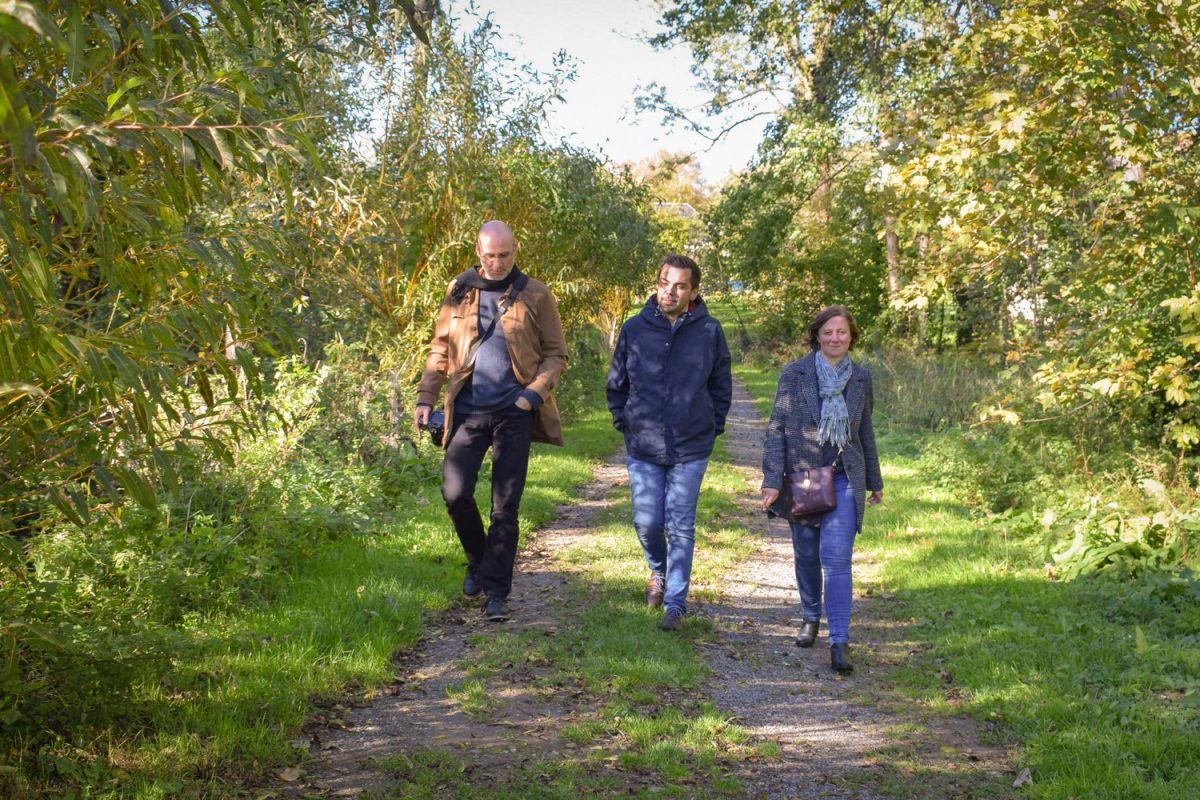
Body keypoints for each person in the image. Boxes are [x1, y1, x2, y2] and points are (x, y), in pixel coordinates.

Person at [414, 220, 568, 622]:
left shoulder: (537, 295)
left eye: (505, 255)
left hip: (514, 413)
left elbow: (556, 354)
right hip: (465, 410)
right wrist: (425, 398)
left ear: (516, 250)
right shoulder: (459, 290)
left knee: (505, 506)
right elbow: (440, 350)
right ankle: (479, 561)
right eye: (490, 255)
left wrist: (532, 394)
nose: (497, 262)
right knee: (455, 493)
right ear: (478, 252)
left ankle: (496, 591)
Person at [606, 254, 732, 631]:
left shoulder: (709, 331)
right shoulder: (634, 328)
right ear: (656, 283)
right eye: (664, 282)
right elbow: (617, 383)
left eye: (679, 285)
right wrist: (623, 420)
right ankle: (657, 571)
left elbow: (721, 384)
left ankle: (676, 603)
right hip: (643, 444)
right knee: (647, 522)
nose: (670, 291)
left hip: (691, 445)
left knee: (681, 526)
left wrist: (714, 425)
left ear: (693, 291)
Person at [760, 305, 883, 673]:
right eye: (828, 332)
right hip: (804, 479)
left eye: (842, 332)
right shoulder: (794, 374)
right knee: (808, 555)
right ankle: (811, 615)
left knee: (838, 560)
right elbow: (776, 429)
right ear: (817, 335)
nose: (835, 338)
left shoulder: (861, 379)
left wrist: (874, 481)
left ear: (851, 337)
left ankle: (840, 641)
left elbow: (865, 433)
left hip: (845, 476)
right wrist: (771, 480)